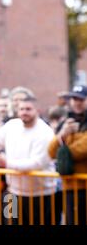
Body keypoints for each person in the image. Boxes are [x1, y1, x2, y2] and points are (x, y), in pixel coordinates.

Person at [0, 97, 56, 225]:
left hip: (41, 195)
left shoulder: (45, 132)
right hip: (12, 193)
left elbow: (37, 163)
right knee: (10, 222)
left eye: (28, 109)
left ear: (37, 110)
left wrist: (7, 163)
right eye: (21, 109)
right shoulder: (12, 125)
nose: (24, 112)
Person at [48, 85, 87, 225]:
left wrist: (64, 147)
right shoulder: (67, 122)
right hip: (70, 186)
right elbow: (51, 151)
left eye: (81, 99)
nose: (77, 102)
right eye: (74, 99)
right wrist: (63, 134)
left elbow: (81, 149)